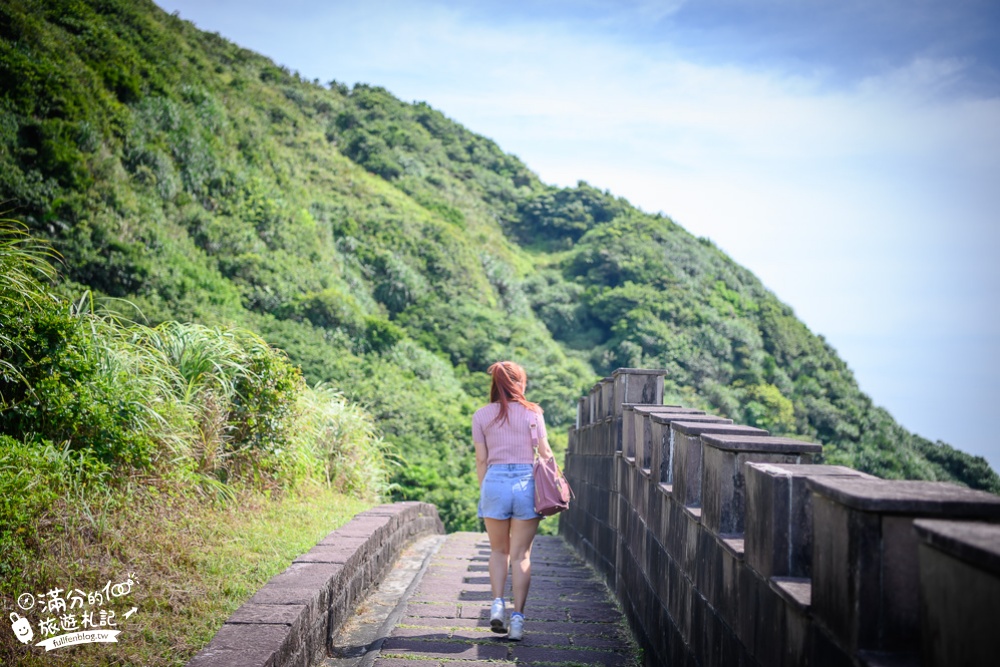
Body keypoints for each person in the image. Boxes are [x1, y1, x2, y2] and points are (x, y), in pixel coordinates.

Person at [472, 360, 554, 642]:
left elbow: (481, 460)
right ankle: (517, 620)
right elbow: (545, 453)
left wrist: (487, 491)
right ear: (520, 383)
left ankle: (496, 604)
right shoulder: (533, 414)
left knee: (498, 551)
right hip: (526, 485)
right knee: (521, 555)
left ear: (495, 384)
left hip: (494, 482)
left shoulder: (481, 415)